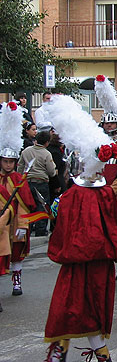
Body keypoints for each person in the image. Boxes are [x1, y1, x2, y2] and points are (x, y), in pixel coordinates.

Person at [42, 94, 117, 362]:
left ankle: (60, 351)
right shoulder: (103, 194)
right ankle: (101, 354)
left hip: (75, 261)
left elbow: (61, 231)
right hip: (101, 261)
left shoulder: (72, 196)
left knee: (67, 306)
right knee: (94, 307)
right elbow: (113, 226)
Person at [0, 101, 37, 303]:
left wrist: (23, 224)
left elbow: (25, 203)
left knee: (16, 253)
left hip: (14, 222)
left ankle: (17, 281)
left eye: (11, 161)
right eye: (4, 161)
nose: (8, 164)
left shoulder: (18, 180)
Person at [95, 74, 117, 279]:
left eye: (112, 125)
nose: (109, 128)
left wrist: (113, 189)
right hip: (100, 190)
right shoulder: (98, 141)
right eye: (106, 125)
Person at [18, 130, 56, 237]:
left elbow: (20, 167)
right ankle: (40, 231)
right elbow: (51, 172)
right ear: (47, 142)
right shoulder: (46, 154)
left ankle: (27, 229)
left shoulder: (26, 151)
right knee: (42, 207)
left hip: (27, 183)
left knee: (28, 206)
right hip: (41, 183)